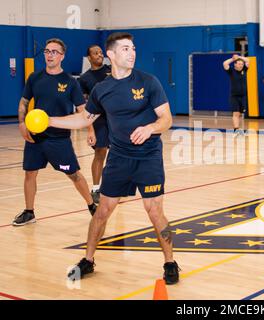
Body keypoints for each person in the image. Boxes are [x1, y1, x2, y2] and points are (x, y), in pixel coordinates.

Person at [49, 32, 179, 284]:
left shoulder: (148, 81)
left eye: (133, 49)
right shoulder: (102, 89)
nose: (132, 53)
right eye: (126, 49)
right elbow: (84, 119)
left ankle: (170, 262)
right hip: (118, 158)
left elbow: (166, 119)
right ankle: (88, 260)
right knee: (103, 210)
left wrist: (150, 128)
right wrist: (48, 120)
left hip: (148, 158)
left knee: (154, 211)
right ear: (111, 54)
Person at [13, 38, 97, 226]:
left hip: (59, 139)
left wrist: (90, 130)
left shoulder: (69, 82)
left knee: (73, 174)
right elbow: (24, 102)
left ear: (62, 56)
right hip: (36, 137)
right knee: (30, 173)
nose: (49, 55)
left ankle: (92, 206)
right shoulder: (35, 77)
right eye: (47, 51)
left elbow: (82, 109)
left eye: (54, 52)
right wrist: (21, 123)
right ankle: (29, 212)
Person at [78, 45, 112, 203]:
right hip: (98, 119)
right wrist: (89, 127)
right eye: (95, 53)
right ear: (89, 58)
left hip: (116, 117)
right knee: (100, 152)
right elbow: (83, 106)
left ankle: (113, 185)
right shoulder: (84, 79)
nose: (99, 55)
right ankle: (96, 189)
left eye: (100, 52)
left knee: (118, 153)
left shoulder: (112, 69)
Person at [223, 54, 250, 135]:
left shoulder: (244, 70)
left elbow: (248, 60)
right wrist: (232, 59)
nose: (241, 65)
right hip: (234, 96)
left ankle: (239, 130)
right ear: (235, 64)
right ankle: (236, 130)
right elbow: (225, 64)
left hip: (243, 96)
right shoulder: (231, 71)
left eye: (242, 64)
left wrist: (239, 57)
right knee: (236, 113)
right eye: (239, 64)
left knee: (240, 114)